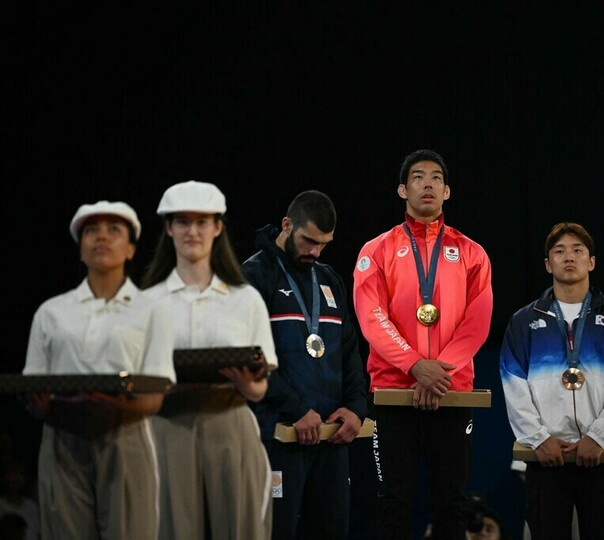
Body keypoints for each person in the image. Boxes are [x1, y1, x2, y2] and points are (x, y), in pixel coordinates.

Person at [353, 149, 494, 539]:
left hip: (451, 393)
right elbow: (372, 317)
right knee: (393, 502)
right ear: (403, 189)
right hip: (394, 392)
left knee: (452, 503)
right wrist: (415, 366)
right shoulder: (376, 250)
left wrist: (438, 373)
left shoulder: (472, 253)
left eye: (436, 178)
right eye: (417, 177)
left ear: (447, 191)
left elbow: (478, 322)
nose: (427, 184)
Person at [22, 200, 176, 539]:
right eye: (91, 231)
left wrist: (114, 405)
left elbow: (155, 396)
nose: (101, 237)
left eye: (113, 230)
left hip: (126, 434)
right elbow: (34, 388)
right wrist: (41, 405)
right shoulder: (51, 312)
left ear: (131, 249)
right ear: (81, 249)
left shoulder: (152, 311)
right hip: (62, 437)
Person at [141, 180, 278, 540]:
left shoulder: (244, 299)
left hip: (229, 423)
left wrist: (247, 383)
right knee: (171, 529)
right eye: (182, 222)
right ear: (169, 229)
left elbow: (260, 388)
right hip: (167, 426)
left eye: (202, 222)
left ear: (217, 228)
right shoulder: (148, 303)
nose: (193, 231)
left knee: (239, 527)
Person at [499, 221, 604, 540]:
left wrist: (599, 437)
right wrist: (539, 438)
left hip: (601, 456)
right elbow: (513, 383)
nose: (569, 257)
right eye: (559, 251)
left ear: (591, 262)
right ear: (548, 264)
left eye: (578, 250)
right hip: (546, 456)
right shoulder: (524, 321)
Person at [241, 189, 368, 540]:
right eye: (309, 241)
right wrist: (295, 409)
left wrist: (356, 408)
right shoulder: (253, 277)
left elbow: (349, 353)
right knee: (275, 531)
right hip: (278, 436)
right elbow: (249, 357)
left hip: (330, 439)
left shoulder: (329, 279)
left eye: (324, 244)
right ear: (287, 225)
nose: (315, 252)